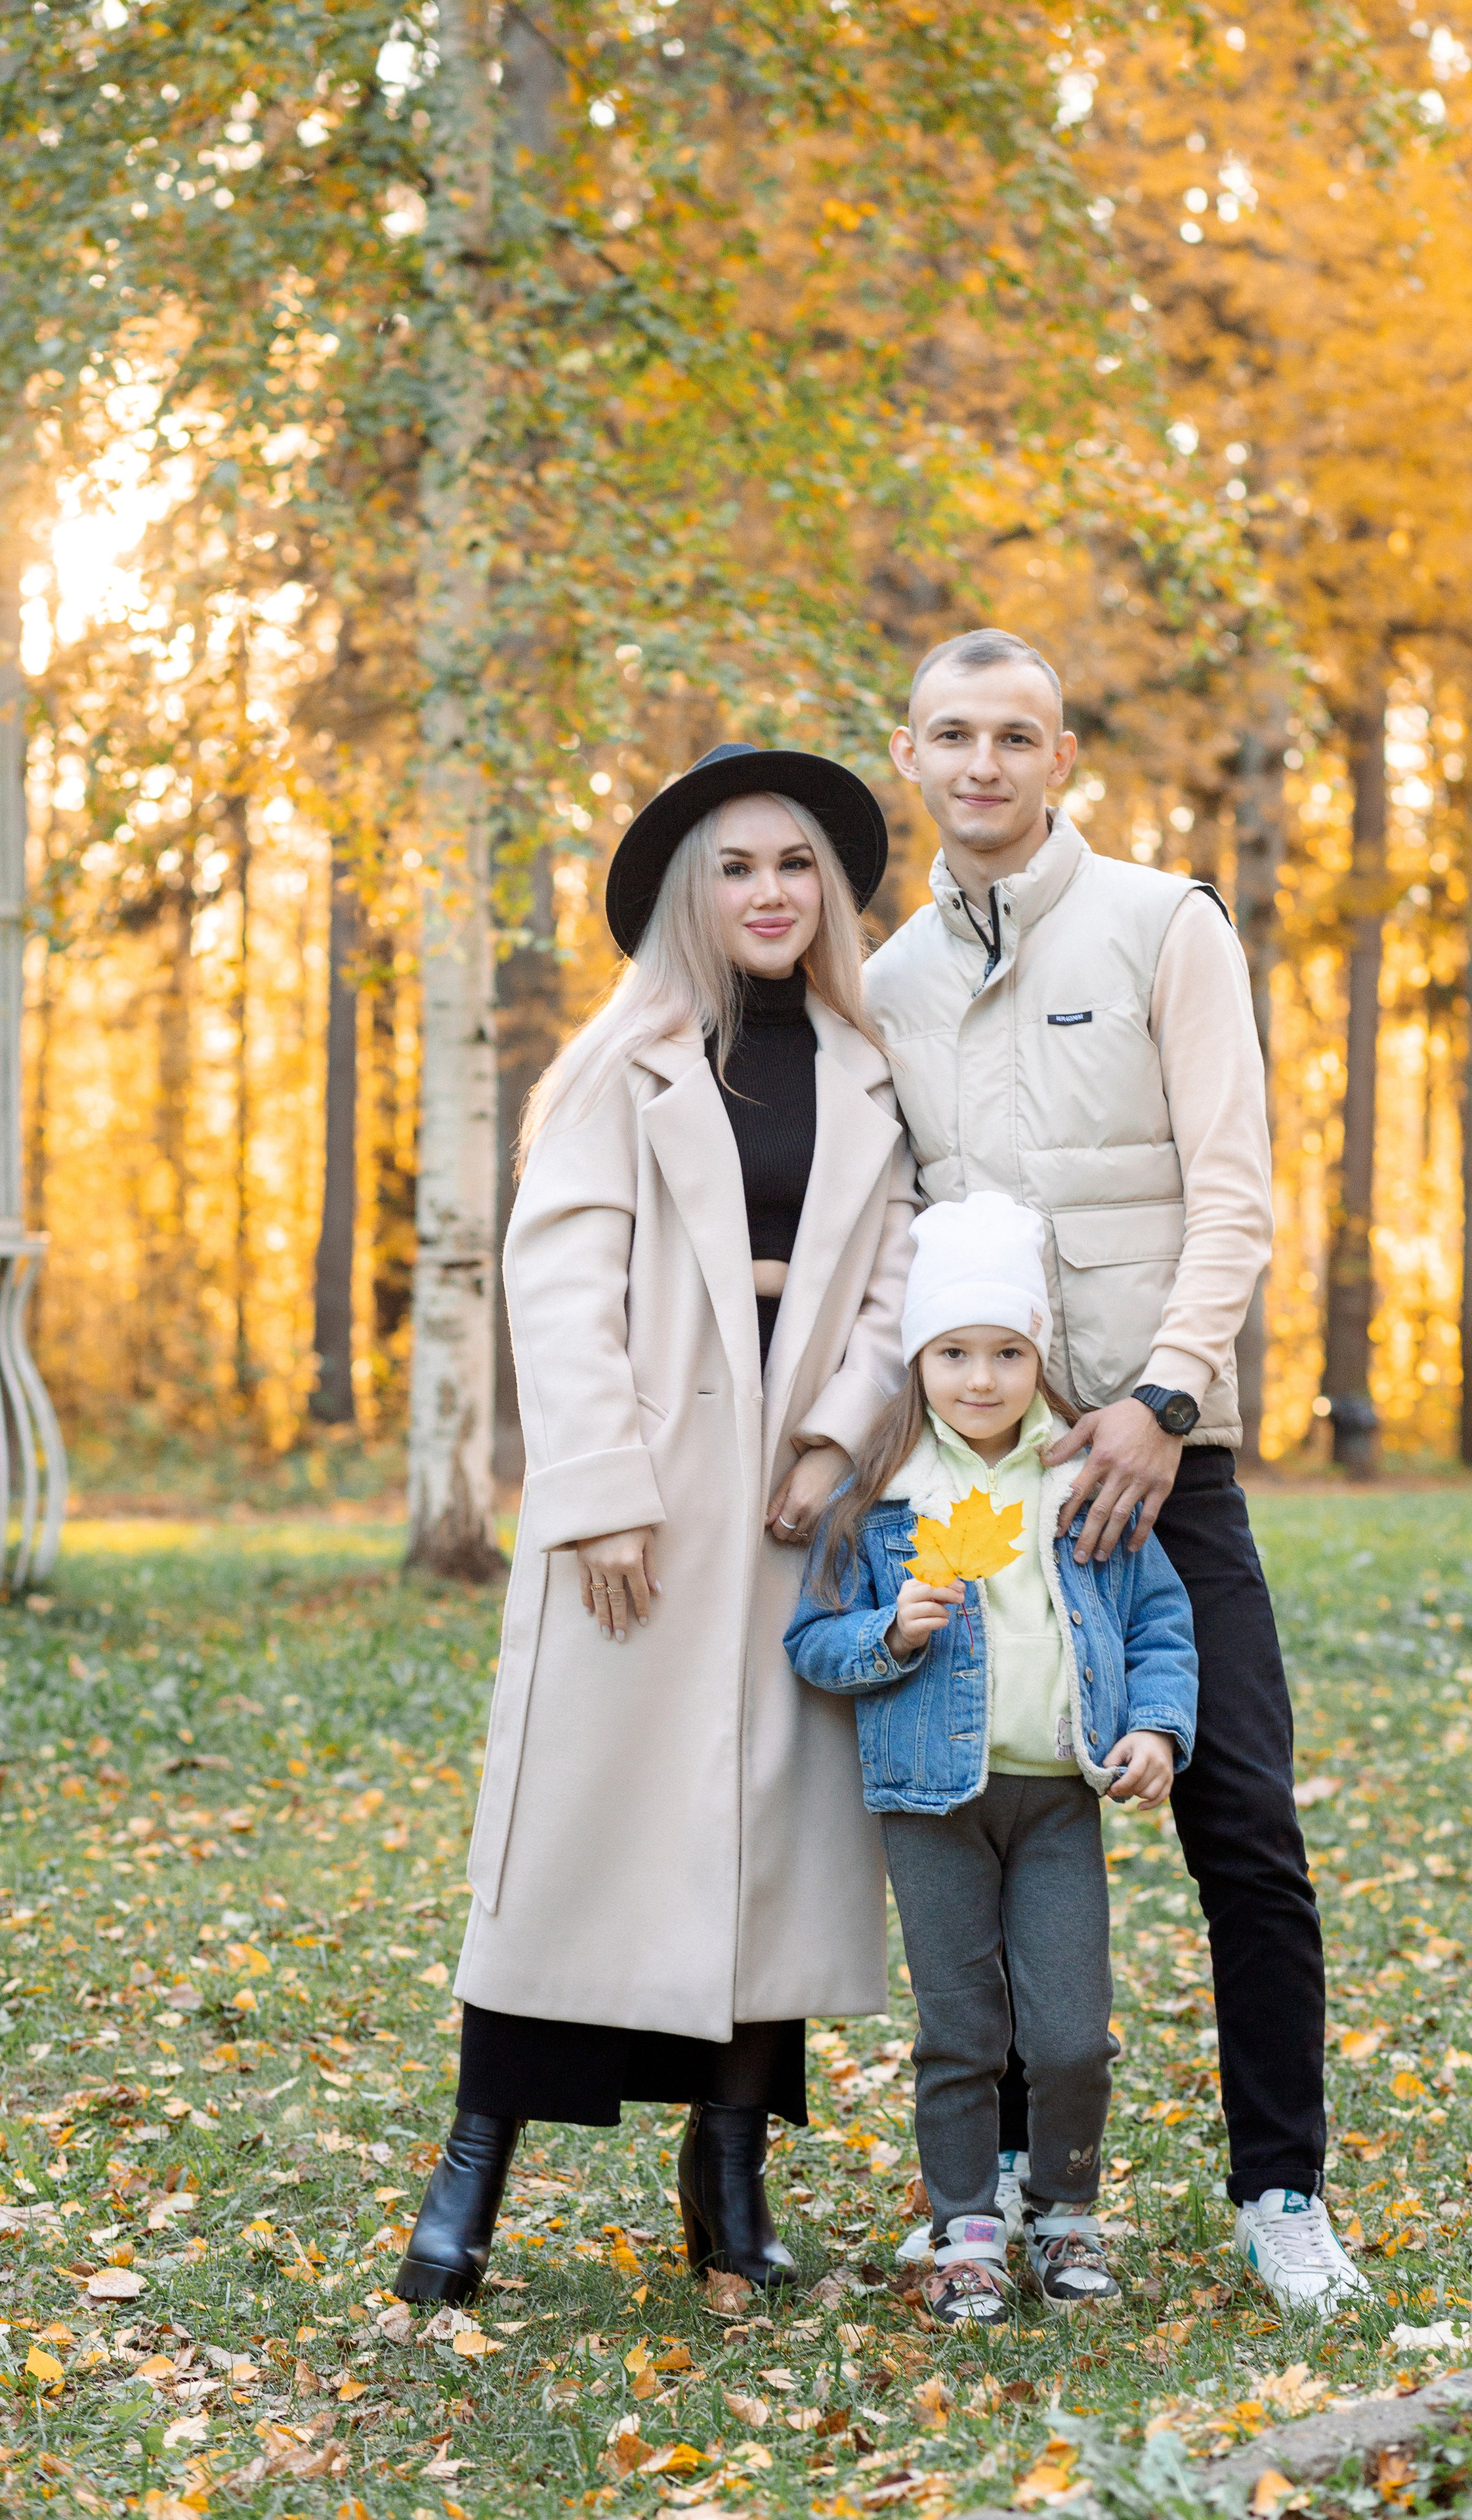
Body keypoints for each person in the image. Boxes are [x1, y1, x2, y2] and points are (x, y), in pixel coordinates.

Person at [864, 629, 1370, 2313]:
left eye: (1015, 736)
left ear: (1061, 756)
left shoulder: (1167, 925)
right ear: (912, 756)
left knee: (1242, 1828)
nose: (983, 765)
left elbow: (1232, 1192)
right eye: (953, 736)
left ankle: (1280, 2190)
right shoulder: (887, 987)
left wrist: (1161, 1396)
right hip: (979, 1479)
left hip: (1163, 1461)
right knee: (990, 1812)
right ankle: (1003, 2180)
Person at [395, 742, 916, 2307]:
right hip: (643, 1499)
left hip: (793, 1505)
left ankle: (730, 2183)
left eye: (794, 865)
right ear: (691, 893)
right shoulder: (621, 1064)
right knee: (569, 1836)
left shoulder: (871, 1068)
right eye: (735, 866)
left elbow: (902, 1279)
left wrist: (841, 1440)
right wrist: (600, 1496)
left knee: (772, 1835)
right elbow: (557, 1294)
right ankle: (470, 2176)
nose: (768, 891)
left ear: (826, 891)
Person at [786, 1193, 1198, 2325]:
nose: (981, 1379)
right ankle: (964, 2225)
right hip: (933, 1804)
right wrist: (890, 1633)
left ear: (1037, 1358)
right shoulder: (882, 1508)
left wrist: (1158, 1727)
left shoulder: (1079, 1491)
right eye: (954, 1353)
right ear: (919, 1362)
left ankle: (1063, 2214)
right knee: (961, 2030)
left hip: (1059, 1795)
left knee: (1070, 2032)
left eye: (1008, 1352)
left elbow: (1160, 1623)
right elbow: (810, 1643)